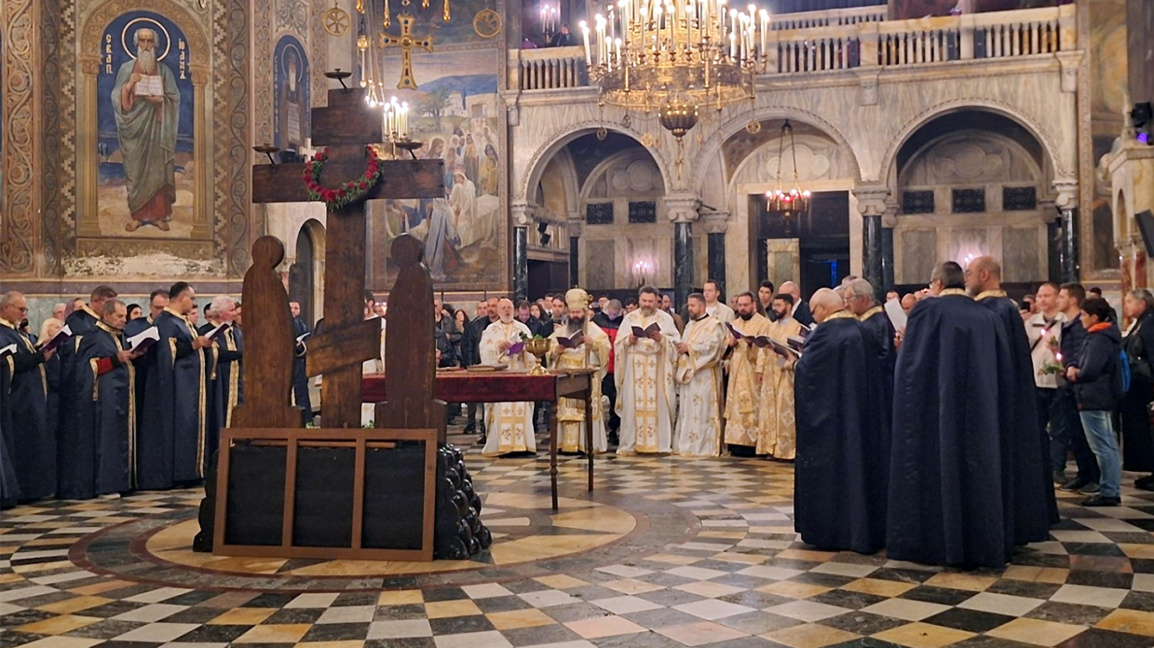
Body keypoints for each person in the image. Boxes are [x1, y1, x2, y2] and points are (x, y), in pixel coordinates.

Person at [888, 261, 1029, 568]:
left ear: (937, 283)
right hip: (983, 414)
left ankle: (936, 542)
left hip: (936, 412)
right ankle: (984, 542)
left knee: (938, 471)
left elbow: (912, 369)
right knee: (980, 471)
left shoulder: (928, 311)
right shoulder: (988, 315)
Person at [966, 256, 1056, 534]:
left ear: (983, 275)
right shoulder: (1005, 307)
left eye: (968, 273)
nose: (965, 279)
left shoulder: (992, 310)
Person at [794, 288, 882, 553]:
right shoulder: (864, 329)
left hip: (830, 425)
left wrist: (797, 364)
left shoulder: (824, 334)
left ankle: (829, 531)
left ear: (821, 309)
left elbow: (810, 375)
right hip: (863, 419)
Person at [137, 282, 212, 490]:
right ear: (182, 298)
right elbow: (166, 353)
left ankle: (193, 470)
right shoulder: (167, 322)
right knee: (181, 425)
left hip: (189, 386)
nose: (194, 303)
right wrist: (193, 345)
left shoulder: (182, 321)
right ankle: (181, 472)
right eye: (192, 298)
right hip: (177, 388)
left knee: (190, 424)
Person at [112, 28, 179, 232]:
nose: (146, 45)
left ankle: (159, 216)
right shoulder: (126, 69)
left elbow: (174, 98)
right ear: (136, 43)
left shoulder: (164, 71)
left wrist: (161, 101)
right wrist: (128, 86)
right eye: (142, 41)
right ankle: (138, 216)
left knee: (157, 170)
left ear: (156, 44)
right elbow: (116, 98)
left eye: (150, 41)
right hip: (135, 131)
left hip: (157, 130)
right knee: (136, 170)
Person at [74, 299, 142, 498]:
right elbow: (87, 368)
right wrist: (115, 359)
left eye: (124, 317)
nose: (123, 320)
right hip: (104, 396)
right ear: (106, 315)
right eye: (119, 316)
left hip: (122, 393)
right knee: (108, 437)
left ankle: (124, 481)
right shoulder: (94, 336)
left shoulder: (119, 335)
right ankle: (106, 485)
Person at [56, 285, 118, 499]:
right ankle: (80, 486)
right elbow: (74, 353)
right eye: (108, 305)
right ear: (98, 302)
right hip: (80, 385)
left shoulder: (100, 325)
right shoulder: (79, 321)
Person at [1066, 296, 1124, 506]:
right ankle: (1110, 488)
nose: (1080, 318)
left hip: (1093, 397)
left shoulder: (1099, 338)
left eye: (1083, 314)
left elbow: (1091, 369)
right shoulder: (1103, 335)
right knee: (1106, 444)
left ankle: (1109, 491)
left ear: (1094, 316)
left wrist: (1074, 372)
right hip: (1099, 396)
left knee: (1103, 446)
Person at [0, 291, 56, 502]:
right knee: (23, 443)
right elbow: (14, 361)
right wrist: (39, 356)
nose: (24, 313)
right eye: (20, 309)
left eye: (26, 309)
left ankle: (35, 489)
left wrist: (41, 351)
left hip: (31, 398)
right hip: (17, 399)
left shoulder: (16, 332)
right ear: (6, 308)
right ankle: (23, 490)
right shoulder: (3, 332)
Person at [615, 286, 681, 455]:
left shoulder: (665, 319)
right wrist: (628, 340)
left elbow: (676, 344)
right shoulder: (630, 318)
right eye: (644, 301)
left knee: (659, 406)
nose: (647, 304)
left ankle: (660, 444)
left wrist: (662, 339)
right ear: (639, 300)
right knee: (632, 405)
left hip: (658, 372)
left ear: (656, 301)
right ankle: (631, 444)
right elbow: (618, 344)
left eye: (650, 301)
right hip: (633, 371)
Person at [548, 288, 611, 454]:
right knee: (565, 410)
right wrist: (557, 350)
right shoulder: (560, 332)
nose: (575, 315)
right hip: (565, 378)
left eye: (578, 312)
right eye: (573, 312)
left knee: (586, 410)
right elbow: (548, 352)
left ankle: (587, 444)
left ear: (585, 312)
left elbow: (606, 352)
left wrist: (592, 343)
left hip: (586, 379)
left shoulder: (595, 331)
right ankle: (564, 445)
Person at [1055, 284, 1101, 493]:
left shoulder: (1081, 326)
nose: (1058, 299)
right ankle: (1084, 474)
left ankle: (1093, 476)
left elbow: (1082, 352)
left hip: (1080, 386)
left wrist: (1073, 365)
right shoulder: (1070, 324)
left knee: (1085, 434)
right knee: (1074, 432)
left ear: (1073, 300)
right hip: (1069, 384)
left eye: (1061, 296)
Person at [846, 278, 896, 474]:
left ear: (864, 298)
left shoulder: (878, 322)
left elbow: (884, 357)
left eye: (849, 299)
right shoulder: (865, 322)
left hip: (878, 389)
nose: (846, 304)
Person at [480, 299, 536, 456]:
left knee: (521, 407)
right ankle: (499, 445)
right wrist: (498, 346)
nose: (506, 311)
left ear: (515, 310)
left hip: (519, 375)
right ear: (498, 311)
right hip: (500, 378)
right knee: (499, 408)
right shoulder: (491, 330)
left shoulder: (522, 328)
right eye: (503, 308)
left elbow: (531, 350)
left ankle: (522, 444)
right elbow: (484, 351)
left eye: (509, 308)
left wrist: (523, 348)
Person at [673, 293, 728, 457]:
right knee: (688, 411)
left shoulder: (714, 325)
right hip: (690, 375)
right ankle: (688, 445)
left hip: (705, 376)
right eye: (689, 305)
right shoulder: (689, 326)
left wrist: (690, 349)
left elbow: (714, 349)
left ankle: (705, 446)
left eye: (693, 306)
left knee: (704, 412)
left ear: (702, 306)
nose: (689, 309)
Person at [1025, 283, 1069, 483]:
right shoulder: (1031, 322)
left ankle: (1056, 468)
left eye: (1046, 296)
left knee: (1059, 428)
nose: (1042, 300)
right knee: (1036, 427)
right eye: (1039, 296)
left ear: (1057, 297)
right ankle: (1037, 466)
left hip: (1058, 381)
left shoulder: (1065, 321)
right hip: (1036, 380)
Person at [724, 292, 771, 456]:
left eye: (745, 305)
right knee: (735, 408)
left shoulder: (763, 323)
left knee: (752, 407)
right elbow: (725, 352)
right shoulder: (734, 323)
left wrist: (752, 344)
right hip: (737, 371)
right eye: (740, 305)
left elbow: (766, 349)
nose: (742, 308)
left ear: (754, 305)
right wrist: (730, 345)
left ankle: (752, 444)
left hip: (752, 373)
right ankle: (735, 444)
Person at [759, 293, 803, 459]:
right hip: (771, 373)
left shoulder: (797, 327)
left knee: (785, 411)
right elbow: (763, 349)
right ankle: (771, 447)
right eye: (774, 305)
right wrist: (760, 370)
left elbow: (797, 352)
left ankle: (786, 450)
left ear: (789, 307)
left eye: (778, 305)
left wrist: (783, 358)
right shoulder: (771, 326)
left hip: (787, 375)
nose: (775, 309)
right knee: (770, 411)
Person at [204, 296, 243, 474]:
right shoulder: (207, 331)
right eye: (231, 310)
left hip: (237, 383)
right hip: (218, 383)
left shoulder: (235, 332)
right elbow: (219, 354)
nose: (234, 313)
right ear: (220, 313)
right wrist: (240, 354)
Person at [1120, 289, 1154, 489]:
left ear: (1142, 303)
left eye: (1130, 301)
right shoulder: (1141, 322)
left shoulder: (1149, 323)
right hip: (1137, 386)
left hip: (1145, 386)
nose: (1126, 306)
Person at [593, 299, 624, 444]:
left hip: (616, 367)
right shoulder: (597, 320)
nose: (612, 317)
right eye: (611, 313)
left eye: (615, 314)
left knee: (615, 400)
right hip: (601, 367)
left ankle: (614, 430)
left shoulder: (623, 321)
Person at [289, 301, 312, 423]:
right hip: (286, 366)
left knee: (301, 394)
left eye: (296, 308)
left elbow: (308, 341)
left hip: (299, 365)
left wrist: (300, 346)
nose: (293, 310)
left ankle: (305, 421)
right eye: (290, 308)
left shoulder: (301, 324)